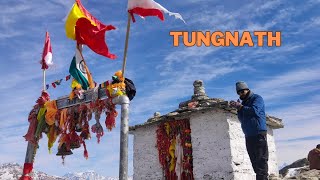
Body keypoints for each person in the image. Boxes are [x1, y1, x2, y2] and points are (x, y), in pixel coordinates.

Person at [229, 81, 269, 180]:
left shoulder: (257, 98)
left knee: (261, 160)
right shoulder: (244, 103)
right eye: (239, 92)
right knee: (254, 161)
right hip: (249, 135)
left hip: (258, 133)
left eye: (242, 91)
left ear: (247, 89)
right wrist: (238, 109)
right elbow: (241, 118)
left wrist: (240, 107)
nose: (241, 94)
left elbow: (254, 110)